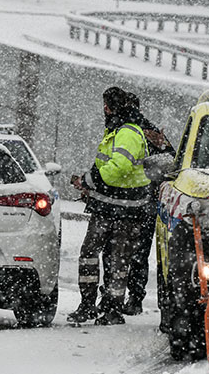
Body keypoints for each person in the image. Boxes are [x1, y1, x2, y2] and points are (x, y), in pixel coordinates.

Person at [67, 86, 152, 326]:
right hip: (112, 207)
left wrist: (89, 181)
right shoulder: (119, 130)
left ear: (114, 107)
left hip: (121, 210)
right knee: (104, 258)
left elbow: (119, 169)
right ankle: (94, 306)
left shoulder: (127, 132)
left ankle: (108, 309)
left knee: (114, 260)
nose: (103, 110)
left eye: (106, 106)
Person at [100, 92, 175, 316]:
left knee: (130, 253)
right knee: (126, 253)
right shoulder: (125, 127)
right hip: (134, 201)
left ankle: (127, 297)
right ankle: (121, 297)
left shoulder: (135, 129)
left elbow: (170, 160)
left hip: (141, 201)